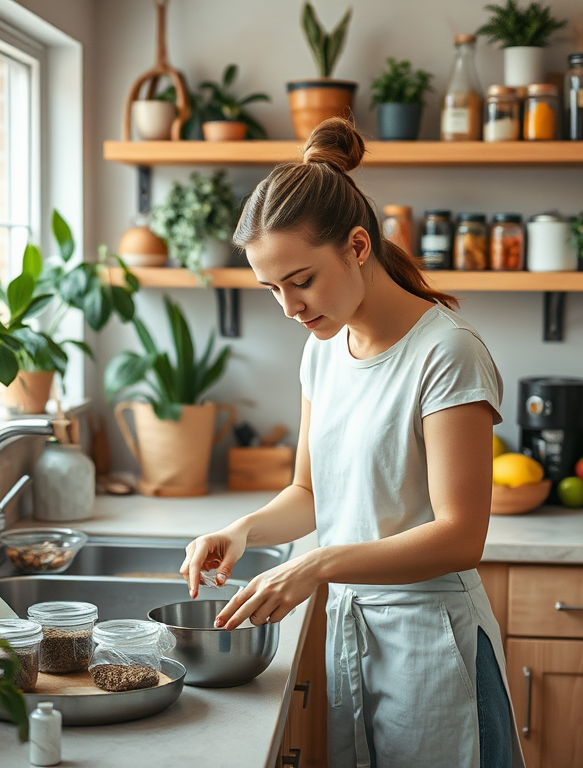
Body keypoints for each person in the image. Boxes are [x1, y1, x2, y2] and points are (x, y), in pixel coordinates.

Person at [179, 117, 524, 768]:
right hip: (354, 630)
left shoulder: (447, 353)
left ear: (358, 245)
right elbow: (310, 491)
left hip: (434, 643)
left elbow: (460, 535)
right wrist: (244, 530)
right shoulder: (324, 350)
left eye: (301, 280)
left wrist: (319, 564)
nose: (288, 306)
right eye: (271, 288)